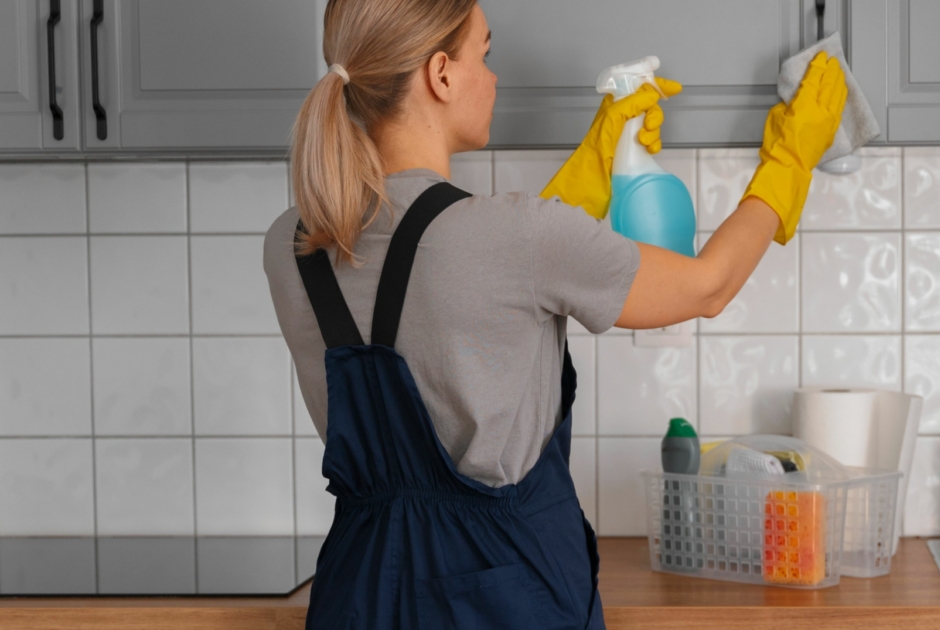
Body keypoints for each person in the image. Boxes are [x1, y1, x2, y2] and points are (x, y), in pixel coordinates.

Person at [262, 0, 846, 628]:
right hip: (505, 596)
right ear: (441, 75)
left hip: (359, 590)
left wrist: (597, 159)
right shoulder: (514, 237)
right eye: (484, 55)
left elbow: (472, 279)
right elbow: (707, 286)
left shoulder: (292, 244)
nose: (493, 77)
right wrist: (789, 161)